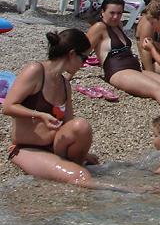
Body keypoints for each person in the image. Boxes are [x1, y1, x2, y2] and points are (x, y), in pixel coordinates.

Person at [2, 29, 108, 189]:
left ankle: (73, 167)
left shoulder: (64, 84)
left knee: (81, 127)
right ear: (72, 54)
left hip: (55, 146)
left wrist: (83, 153)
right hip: (26, 148)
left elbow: (69, 124)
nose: (84, 64)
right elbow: (8, 107)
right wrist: (39, 115)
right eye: (84, 58)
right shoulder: (35, 71)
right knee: (81, 176)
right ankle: (133, 191)